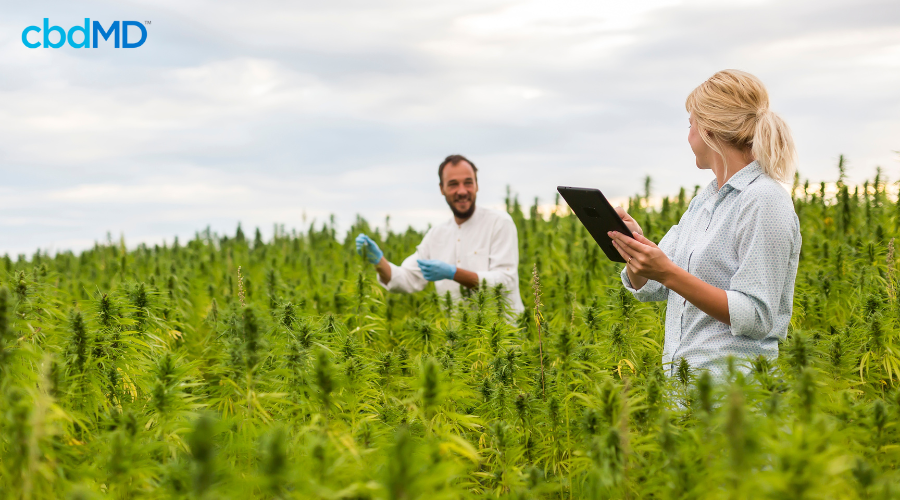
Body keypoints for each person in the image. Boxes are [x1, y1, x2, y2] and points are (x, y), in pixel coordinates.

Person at [608, 69, 801, 378]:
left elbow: (756, 315)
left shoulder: (763, 199)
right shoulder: (705, 201)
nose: (688, 135)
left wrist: (667, 272)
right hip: (683, 389)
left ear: (710, 130)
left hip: (734, 395)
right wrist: (636, 250)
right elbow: (652, 287)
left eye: (691, 124)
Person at [355, 155, 525, 315]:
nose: (462, 191)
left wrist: (453, 273)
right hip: (457, 339)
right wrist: (378, 261)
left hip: (504, 340)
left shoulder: (499, 223)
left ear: (477, 185)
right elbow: (407, 279)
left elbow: (505, 281)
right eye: (453, 184)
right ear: (441, 189)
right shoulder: (436, 236)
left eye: (468, 182)